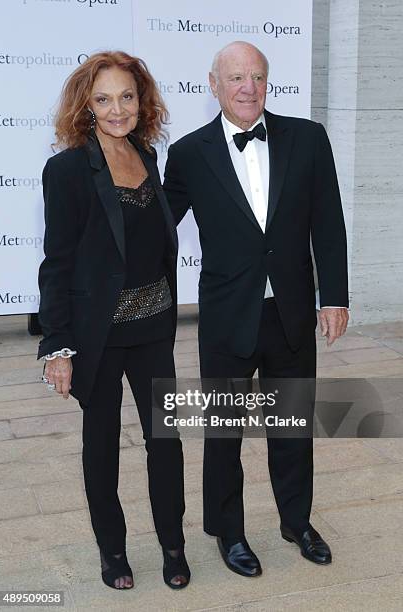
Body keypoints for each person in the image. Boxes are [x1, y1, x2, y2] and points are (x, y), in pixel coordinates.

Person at [163, 41, 349, 577]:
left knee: (291, 427)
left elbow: (328, 222)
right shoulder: (190, 153)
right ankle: (229, 532)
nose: (249, 88)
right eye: (237, 78)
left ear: (269, 83)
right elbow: (158, 229)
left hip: (290, 312)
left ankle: (297, 521)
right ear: (213, 84)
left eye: (258, 77)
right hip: (226, 316)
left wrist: (333, 294)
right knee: (224, 432)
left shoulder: (308, 139)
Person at [37, 51, 190, 590]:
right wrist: (57, 347)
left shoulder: (148, 154)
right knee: (100, 447)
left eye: (127, 96)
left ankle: (174, 544)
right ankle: (113, 552)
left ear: (141, 99)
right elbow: (57, 262)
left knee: (165, 443)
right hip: (97, 336)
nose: (117, 108)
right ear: (87, 106)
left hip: (153, 331)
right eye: (103, 99)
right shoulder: (68, 169)